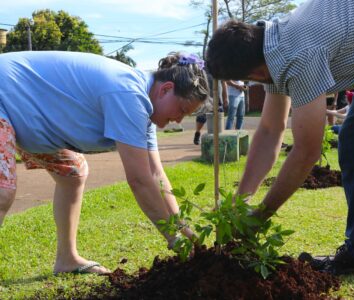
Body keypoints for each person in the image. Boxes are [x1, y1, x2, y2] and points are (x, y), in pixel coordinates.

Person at [206, 0, 354, 298]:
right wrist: (240, 203)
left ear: (254, 75)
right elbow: (270, 130)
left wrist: (260, 216)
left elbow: (307, 151)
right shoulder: (271, 45)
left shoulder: (299, 52)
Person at [0, 51, 208, 275]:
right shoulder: (128, 94)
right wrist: (172, 239)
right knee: (3, 191)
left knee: (72, 172)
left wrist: (186, 232)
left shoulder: (144, 110)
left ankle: (67, 259)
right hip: (6, 96)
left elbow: (156, 175)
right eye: (182, 110)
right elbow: (140, 180)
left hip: (24, 115)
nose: (179, 119)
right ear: (166, 89)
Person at [193, 73, 225, 145]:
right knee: (201, 117)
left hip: (218, 98)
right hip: (206, 98)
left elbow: (224, 83)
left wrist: (226, 98)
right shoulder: (201, 69)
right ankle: (197, 133)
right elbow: (195, 83)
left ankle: (218, 139)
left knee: (219, 118)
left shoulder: (219, 69)